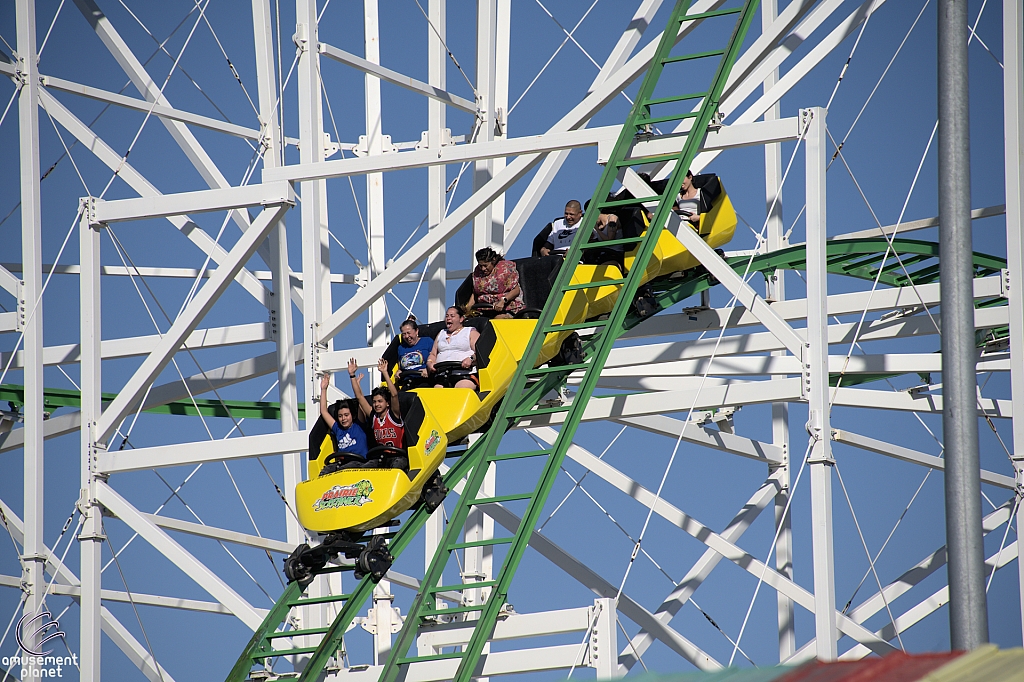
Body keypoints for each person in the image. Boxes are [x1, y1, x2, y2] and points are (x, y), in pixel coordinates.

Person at [348, 358, 405, 449]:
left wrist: (384, 372)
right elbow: (359, 397)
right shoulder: (374, 416)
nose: (377, 404)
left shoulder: (393, 414)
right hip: (381, 456)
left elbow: (394, 395)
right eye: (374, 402)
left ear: (387, 403)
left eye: (380, 401)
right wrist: (352, 375)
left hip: (397, 456)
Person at [319, 372, 369, 463]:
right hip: (343, 465)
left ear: (352, 415)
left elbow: (360, 399)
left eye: (346, 415)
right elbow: (324, 411)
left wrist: (353, 378)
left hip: (359, 464)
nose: (343, 419)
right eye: (340, 416)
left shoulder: (359, 425)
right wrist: (323, 389)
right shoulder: (338, 428)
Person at [426, 306, 480, 389]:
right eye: (447, 316)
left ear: (461, 319)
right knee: (436, 394)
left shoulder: (470, 332)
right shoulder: (441, 333)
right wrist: (430, 363)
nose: (448, 318)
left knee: (460, 391)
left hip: (464, 374)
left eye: (452, 316)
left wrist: (471, 359)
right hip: (443, 376)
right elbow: (433, 354)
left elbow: (480, 352)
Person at [466, 247, 524, 319]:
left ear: (493, 260)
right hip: (484, 310)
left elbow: (516, 290)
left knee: (497, 320)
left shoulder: (505, 268)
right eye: (481, 266)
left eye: (485, 265)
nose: (483, 269)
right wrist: (468, 309)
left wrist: (503, 301)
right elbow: (475, 293)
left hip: (507, 308)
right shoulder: (478, 272)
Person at [395, 317, 433, 390]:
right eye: (404, 334)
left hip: (423, 380)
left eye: (409, 333)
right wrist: (399, 372)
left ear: (416, 331)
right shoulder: (401, 348)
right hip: (407, 382)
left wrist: (427, 369)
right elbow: (401, 366)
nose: (406, 336)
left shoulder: (427, 342)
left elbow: (435, 358)